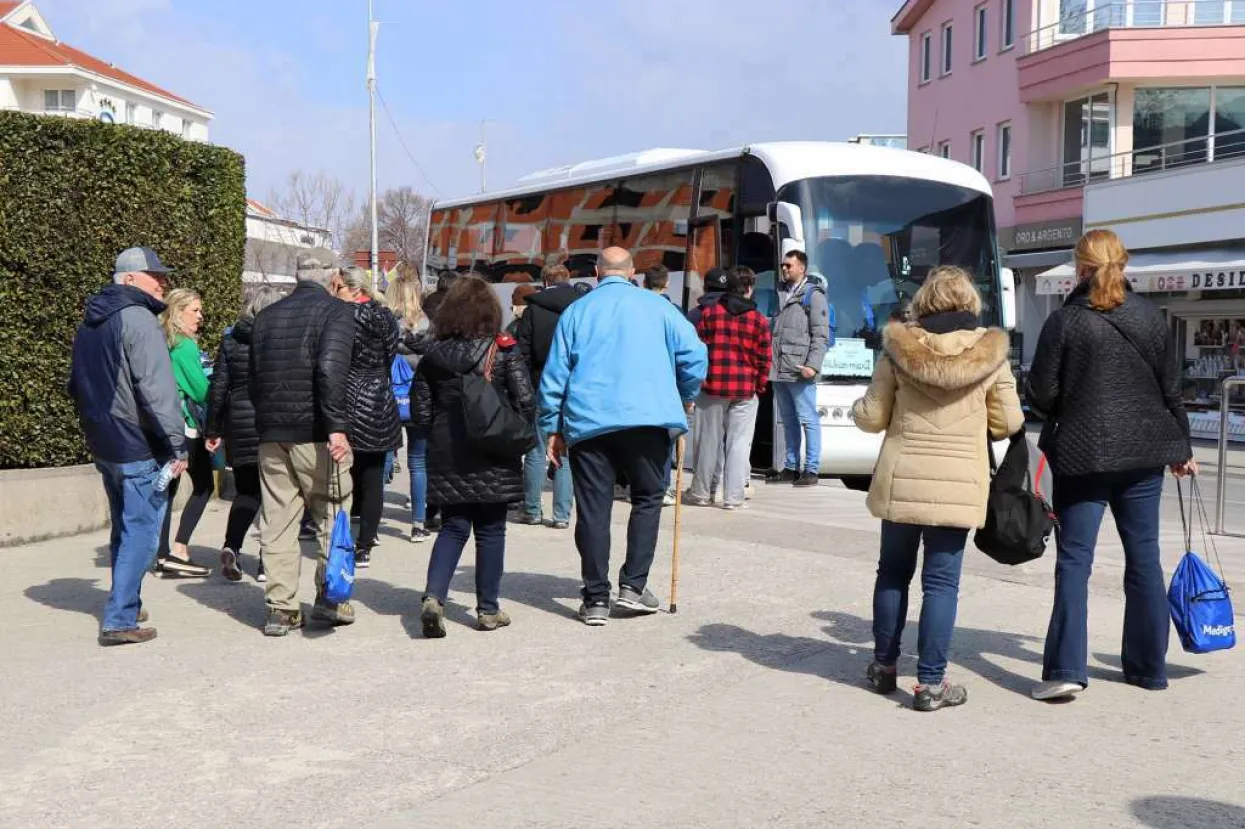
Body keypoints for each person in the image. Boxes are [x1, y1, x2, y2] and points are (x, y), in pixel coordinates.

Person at [1025, 229, 1196, 701]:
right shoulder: (1151, 317)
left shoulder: (1067, 322)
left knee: (1076, 560)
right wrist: (1182, 447)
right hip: (1145, 454)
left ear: (1081, 268)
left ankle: (1065, 670)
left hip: (1084, 455)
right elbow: (1170, 390)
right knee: (1144, 557)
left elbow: (1040, 396)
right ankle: (1148, 668)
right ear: (1123, 263)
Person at [852, 266, 1024, 712]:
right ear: (969, 301)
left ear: (924, 300)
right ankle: (930, 684)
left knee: (892, 573)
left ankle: (883, 667)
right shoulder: (991, 353)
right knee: (941, 585)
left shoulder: (898, 349)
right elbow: (1008, 422)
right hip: (958, 484)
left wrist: (857, 406)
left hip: (903, 478)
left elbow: (871, 417)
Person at [540, 247, 707, 626]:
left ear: (598, 273)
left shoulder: (577, 312)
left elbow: (555, 375)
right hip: (649, 420)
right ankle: (632, 586)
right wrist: (685, 396)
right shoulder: (660, 307)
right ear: (632, 272)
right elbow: (695, 357)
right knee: (648, 499)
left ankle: (596, 598)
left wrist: (551, 425)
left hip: (590, 423)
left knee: (594, 510)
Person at [68, 247, 188, 646]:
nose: (162, 282)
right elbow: (157, 390)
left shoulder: (90, 321)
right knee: (143, 532)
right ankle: (120, 618)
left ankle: (128, 603)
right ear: (131, 279)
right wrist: (176, 446)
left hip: (104, 441)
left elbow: (76, 385)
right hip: (138, 444)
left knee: (124, 527)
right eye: (155, 275)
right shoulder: (139, 319)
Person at [414, 276, 536, 637]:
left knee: (453, 527)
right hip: (493, 448)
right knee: (491, 530)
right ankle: (487, 609)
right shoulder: (503, 349)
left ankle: (434, 597)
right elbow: (525, 400)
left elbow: (420, 413)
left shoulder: (433, 355)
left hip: (448, 448)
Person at [249, 254, 356, 637]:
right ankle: (330, 600)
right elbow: (331, 370)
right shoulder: (337, 313)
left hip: (272, 433)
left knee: (277, 521)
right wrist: (338, 427)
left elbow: (254, 378)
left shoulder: (265, 317)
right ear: (335, 278)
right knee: (331, 512)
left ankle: (281, 608)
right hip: (316, 432)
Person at [205, 287, 282, 583]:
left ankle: (232, 545)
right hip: (270, 420)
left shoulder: (231, 340)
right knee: (276, 495)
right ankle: (266, 562)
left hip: (238, 424)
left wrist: (213, 429)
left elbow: (218, 387)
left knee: (246, 490)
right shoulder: (278, 341)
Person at [685, 266, 772, 510]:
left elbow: (698, 350)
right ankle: (733, 498)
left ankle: (701, 492)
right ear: (748, 289)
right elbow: (765, 357)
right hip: (745, 387)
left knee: (707, 442)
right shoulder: (759, 320)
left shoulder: (710, 314)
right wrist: (760, 385)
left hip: (712, 386)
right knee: (739, 444)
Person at [335, 267, 401, 569]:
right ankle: (367, 541)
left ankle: (343, 537)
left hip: (349, 393)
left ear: (352, 289)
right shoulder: (386, 316)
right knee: (374, 474)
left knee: (344, 472)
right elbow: (389, 355)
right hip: (379, 395)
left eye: (338, 287)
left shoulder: (343, 317)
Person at [514, 263, 583, 529]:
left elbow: (523, 352)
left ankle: (532, 509)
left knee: (536, 450)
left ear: (544, 282)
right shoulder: (581, 307)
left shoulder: (534, 310)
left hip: (539, 385)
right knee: (564, 451)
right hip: (573, 388)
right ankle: (562, 515)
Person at [155, 288, 213, 577]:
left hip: (162, 425)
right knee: (204, 485)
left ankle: (161, 554)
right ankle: (179, 549)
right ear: (178, 311)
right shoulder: (186, 346)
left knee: (168, 489)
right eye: (196, 311)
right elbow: (202, 391)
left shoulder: (161, 341)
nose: (200, 317)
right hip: (185, 426)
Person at [768, 249, 831, 487]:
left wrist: (813, 366)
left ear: (801, 268)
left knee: (808, 418)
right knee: (788, 419)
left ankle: (811, 469)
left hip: (799, 368)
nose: (784, 269)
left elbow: (820, 335)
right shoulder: (782, 293)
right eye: (783, 265)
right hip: (780, 367)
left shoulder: (813, 296)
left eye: (789, 266)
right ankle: (791, 466)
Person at [386, 273, 435, 542]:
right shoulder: (427, 325)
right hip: (419, 397)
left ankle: (372, 520)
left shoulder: (386, 323)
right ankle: (418, 522)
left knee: (383, 455)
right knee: (418, 462)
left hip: (390, 396)